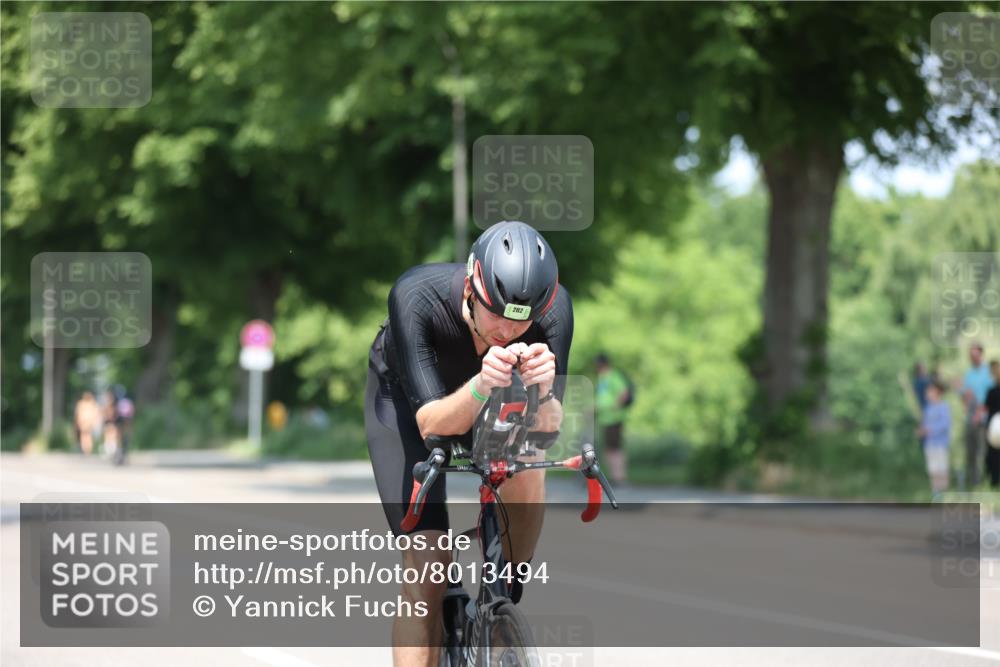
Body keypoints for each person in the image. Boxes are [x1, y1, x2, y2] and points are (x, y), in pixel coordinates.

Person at [365, 220, 572, 667]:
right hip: (407, 403)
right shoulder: (417, 296)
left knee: (529, 458)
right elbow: (430, 424)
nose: (507, 331)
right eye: (495, 314)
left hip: (492, 393)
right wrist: (481, 385)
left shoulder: (554, 313)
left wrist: (544, 392)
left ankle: (503, 594)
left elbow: (549, 430)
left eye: (522, 322)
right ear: (471, 289)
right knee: (426, 571)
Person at [594, 352, 632, 485]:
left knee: (614, 448)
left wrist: (613, 407)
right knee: (610, 449)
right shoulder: (602, 377)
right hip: (605, 419)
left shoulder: (613, 376)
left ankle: (619, 478)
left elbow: (624, 392)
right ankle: (615, 476)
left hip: (614, 418)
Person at [960, 343, 993, 488]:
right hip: (971, 417)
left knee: (984, 453)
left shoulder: (988, 373)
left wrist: (981, 413)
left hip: (985, 418)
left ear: (981, 354)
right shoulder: (968, 374)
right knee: (970, 453)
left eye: (975, 354)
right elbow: (965, 395)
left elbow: (991, 396)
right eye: (970, 355)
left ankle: (988, 482)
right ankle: (973, 484)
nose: (973, 357)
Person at [917, 381, 952, 495]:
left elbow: (945, 424)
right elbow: (926, 424)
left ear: (936, 392)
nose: (927, 393)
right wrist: (921, 430)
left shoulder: (943, 406)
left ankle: (942, 492)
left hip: (940, 443)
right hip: (930, 443)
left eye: (929, 391)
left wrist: (930, 430)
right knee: (932, 468)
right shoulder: (928, 408)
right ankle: (935, 492)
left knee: (941, 468)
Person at [984, 361, 1000, 488]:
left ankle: (994, 479)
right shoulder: (991, 390)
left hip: (993, 424)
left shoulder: (991, 391)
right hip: (994, 424)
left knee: (993, 453)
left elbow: (987, 408)